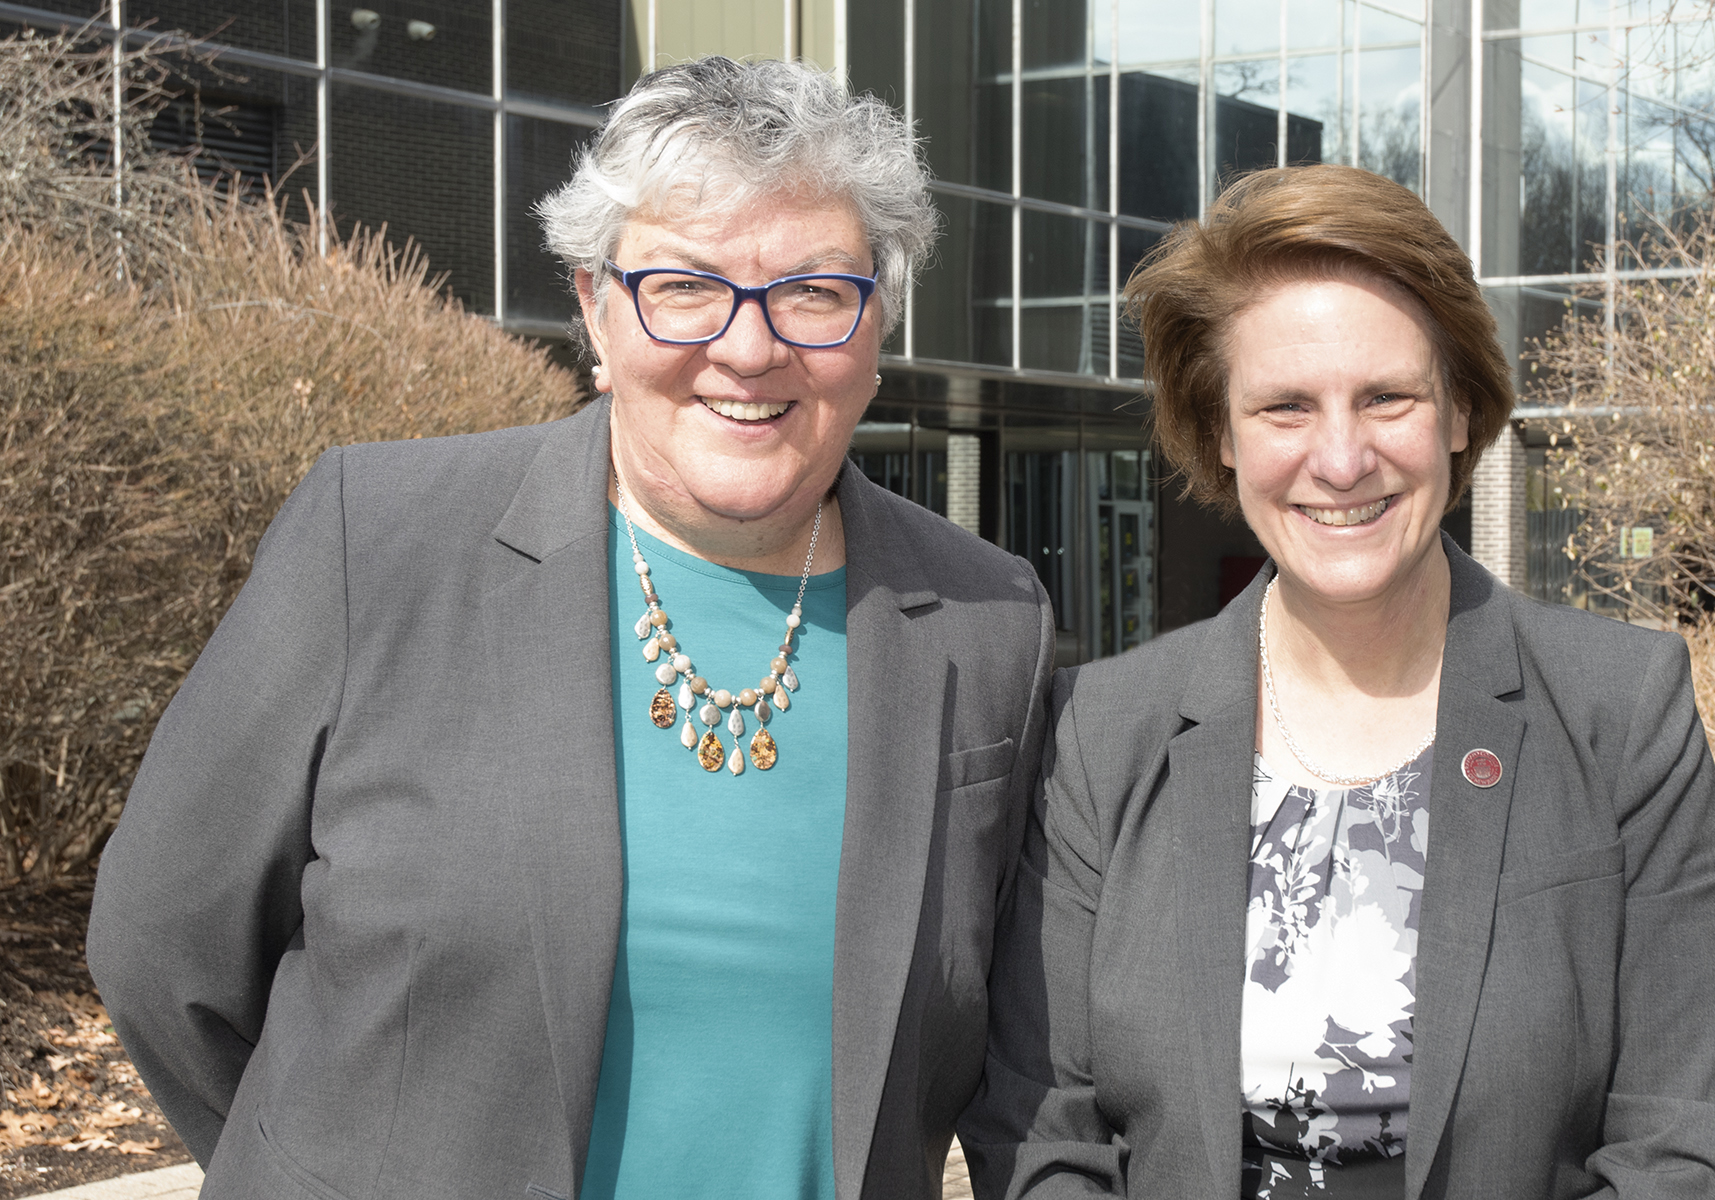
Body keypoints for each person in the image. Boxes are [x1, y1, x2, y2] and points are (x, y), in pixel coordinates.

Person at [88, 56, 1055, 1200]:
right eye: (682, 286)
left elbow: (1019, 1047)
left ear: (875, 324)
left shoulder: (987, 620)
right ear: (596, 309)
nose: (750, 348)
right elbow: (163, 948)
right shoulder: (377, 541)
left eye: (813, 292)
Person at [958, 164, 1715, 1199]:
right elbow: (1041, 1131)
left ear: (1460, 412)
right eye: (1285, 407)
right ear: (1223, 434)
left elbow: (1682, 1133)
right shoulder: (1102, 732)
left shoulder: (1620, 708)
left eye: (1387, 397)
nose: (1341, 460)